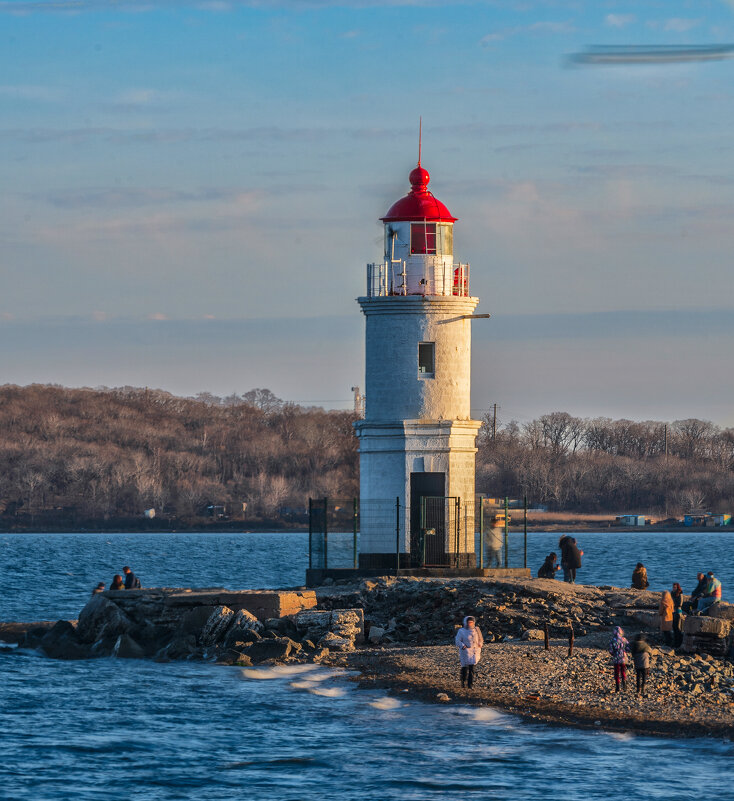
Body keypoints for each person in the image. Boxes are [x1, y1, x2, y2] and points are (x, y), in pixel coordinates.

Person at [455, 615, 484, 690]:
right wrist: (463, 646)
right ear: (466, 622)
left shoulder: (477, 629)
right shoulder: (461, 631)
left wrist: (480, 644)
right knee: (464, 668)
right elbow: (457, 640)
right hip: (465, 652)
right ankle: (463, 682)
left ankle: (470, 685)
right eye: (469, 622)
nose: (470, 624)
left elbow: (481, 638)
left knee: (472, 669)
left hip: (475, 651)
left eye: (472, 622)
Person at [608, 626, 630, 693]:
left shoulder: (612, 640)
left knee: (617, 673)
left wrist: (614, 654)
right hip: (623, 658)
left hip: (616, 658)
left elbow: (611, 651)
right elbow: (628, 648)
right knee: (623, 671)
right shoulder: (624, 639)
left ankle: (617, 688)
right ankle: (624, 686)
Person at [671, 582, 684, 647]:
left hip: (678, 610)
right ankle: (675, 642)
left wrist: (674, 605)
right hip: (673, 611)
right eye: (673, 587)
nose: (673, 588)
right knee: (674, 626)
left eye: (675, 587)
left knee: (678, 627)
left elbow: (680, 603)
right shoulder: (672, 593)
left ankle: (679, 642)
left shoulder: (680, 594)